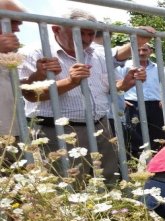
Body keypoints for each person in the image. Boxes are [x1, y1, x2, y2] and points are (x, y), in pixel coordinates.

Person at [18, 8, 146, 182]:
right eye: (79, 34)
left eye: (90, 34)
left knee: (109, 181)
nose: (85, 40)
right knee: (69, 187)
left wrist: (126, 83)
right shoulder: (35, 53)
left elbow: (111, 87)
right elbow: (31, 95)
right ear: (56, 29)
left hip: (101, 127)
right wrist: (70, 81)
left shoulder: (97, 52)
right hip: (58, 133)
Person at [115, 42, 165, 158]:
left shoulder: (158, 67)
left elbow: (163, 85)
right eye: (138, 50)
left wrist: (164, 99)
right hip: (133, 105)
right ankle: (136, 165)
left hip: (155, 105)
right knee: (134, 137)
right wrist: (121, 100)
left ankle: (156, 164)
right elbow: (117, 84)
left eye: (144, 50)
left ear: (150, 51)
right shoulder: (124, 67)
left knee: (157, 136)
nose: (141, 53)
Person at [0, 0, 26, 141]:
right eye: (12, 22)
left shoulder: (9, 49)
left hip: (12, 130)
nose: (17, 29)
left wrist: (38, 74)